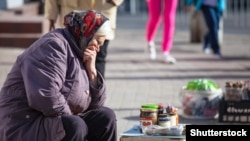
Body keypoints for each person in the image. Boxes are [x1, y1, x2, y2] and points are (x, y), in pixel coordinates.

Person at [0, 10, 117, 141]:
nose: (98, 49)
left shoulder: (79, 49)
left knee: (106, 117)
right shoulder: (53, 46)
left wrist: (92, 72)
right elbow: (46, 96)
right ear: (87, 33)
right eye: (97, 42)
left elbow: (96, 106)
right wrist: (73, 118)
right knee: (74, 125)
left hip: (48, 117)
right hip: (24, 123)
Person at [44, 0, 124, 78]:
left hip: (102, 12)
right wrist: (51, 15)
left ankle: (96, 89)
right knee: (72, 58)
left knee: (99, 57)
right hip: (75, 18)